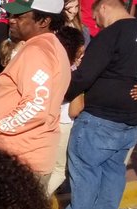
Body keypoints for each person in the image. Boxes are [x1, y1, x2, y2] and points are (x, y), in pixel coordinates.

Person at [57, 0, 137, 209]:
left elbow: (85, 75)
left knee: (85, 169)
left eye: (96, 18)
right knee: (114, 170)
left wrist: (60, 93)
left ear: (104, 8)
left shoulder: (110, 35)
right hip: (131, 119)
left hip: (101, 117)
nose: (97, 23)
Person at [0, 0, 71, 184]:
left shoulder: (37, 52)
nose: (11, 20)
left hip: (18, 161)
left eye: (19, 16)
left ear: (44, 21)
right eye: (11, 15)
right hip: (30, 157)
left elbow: (35, 107)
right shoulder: (53, 46)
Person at [47, 24, 85, 195]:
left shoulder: (50, 64)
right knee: (59, 170)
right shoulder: (74, 73)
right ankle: (39, 200)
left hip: (47, 119)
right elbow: (74, 110)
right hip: (64, 122)